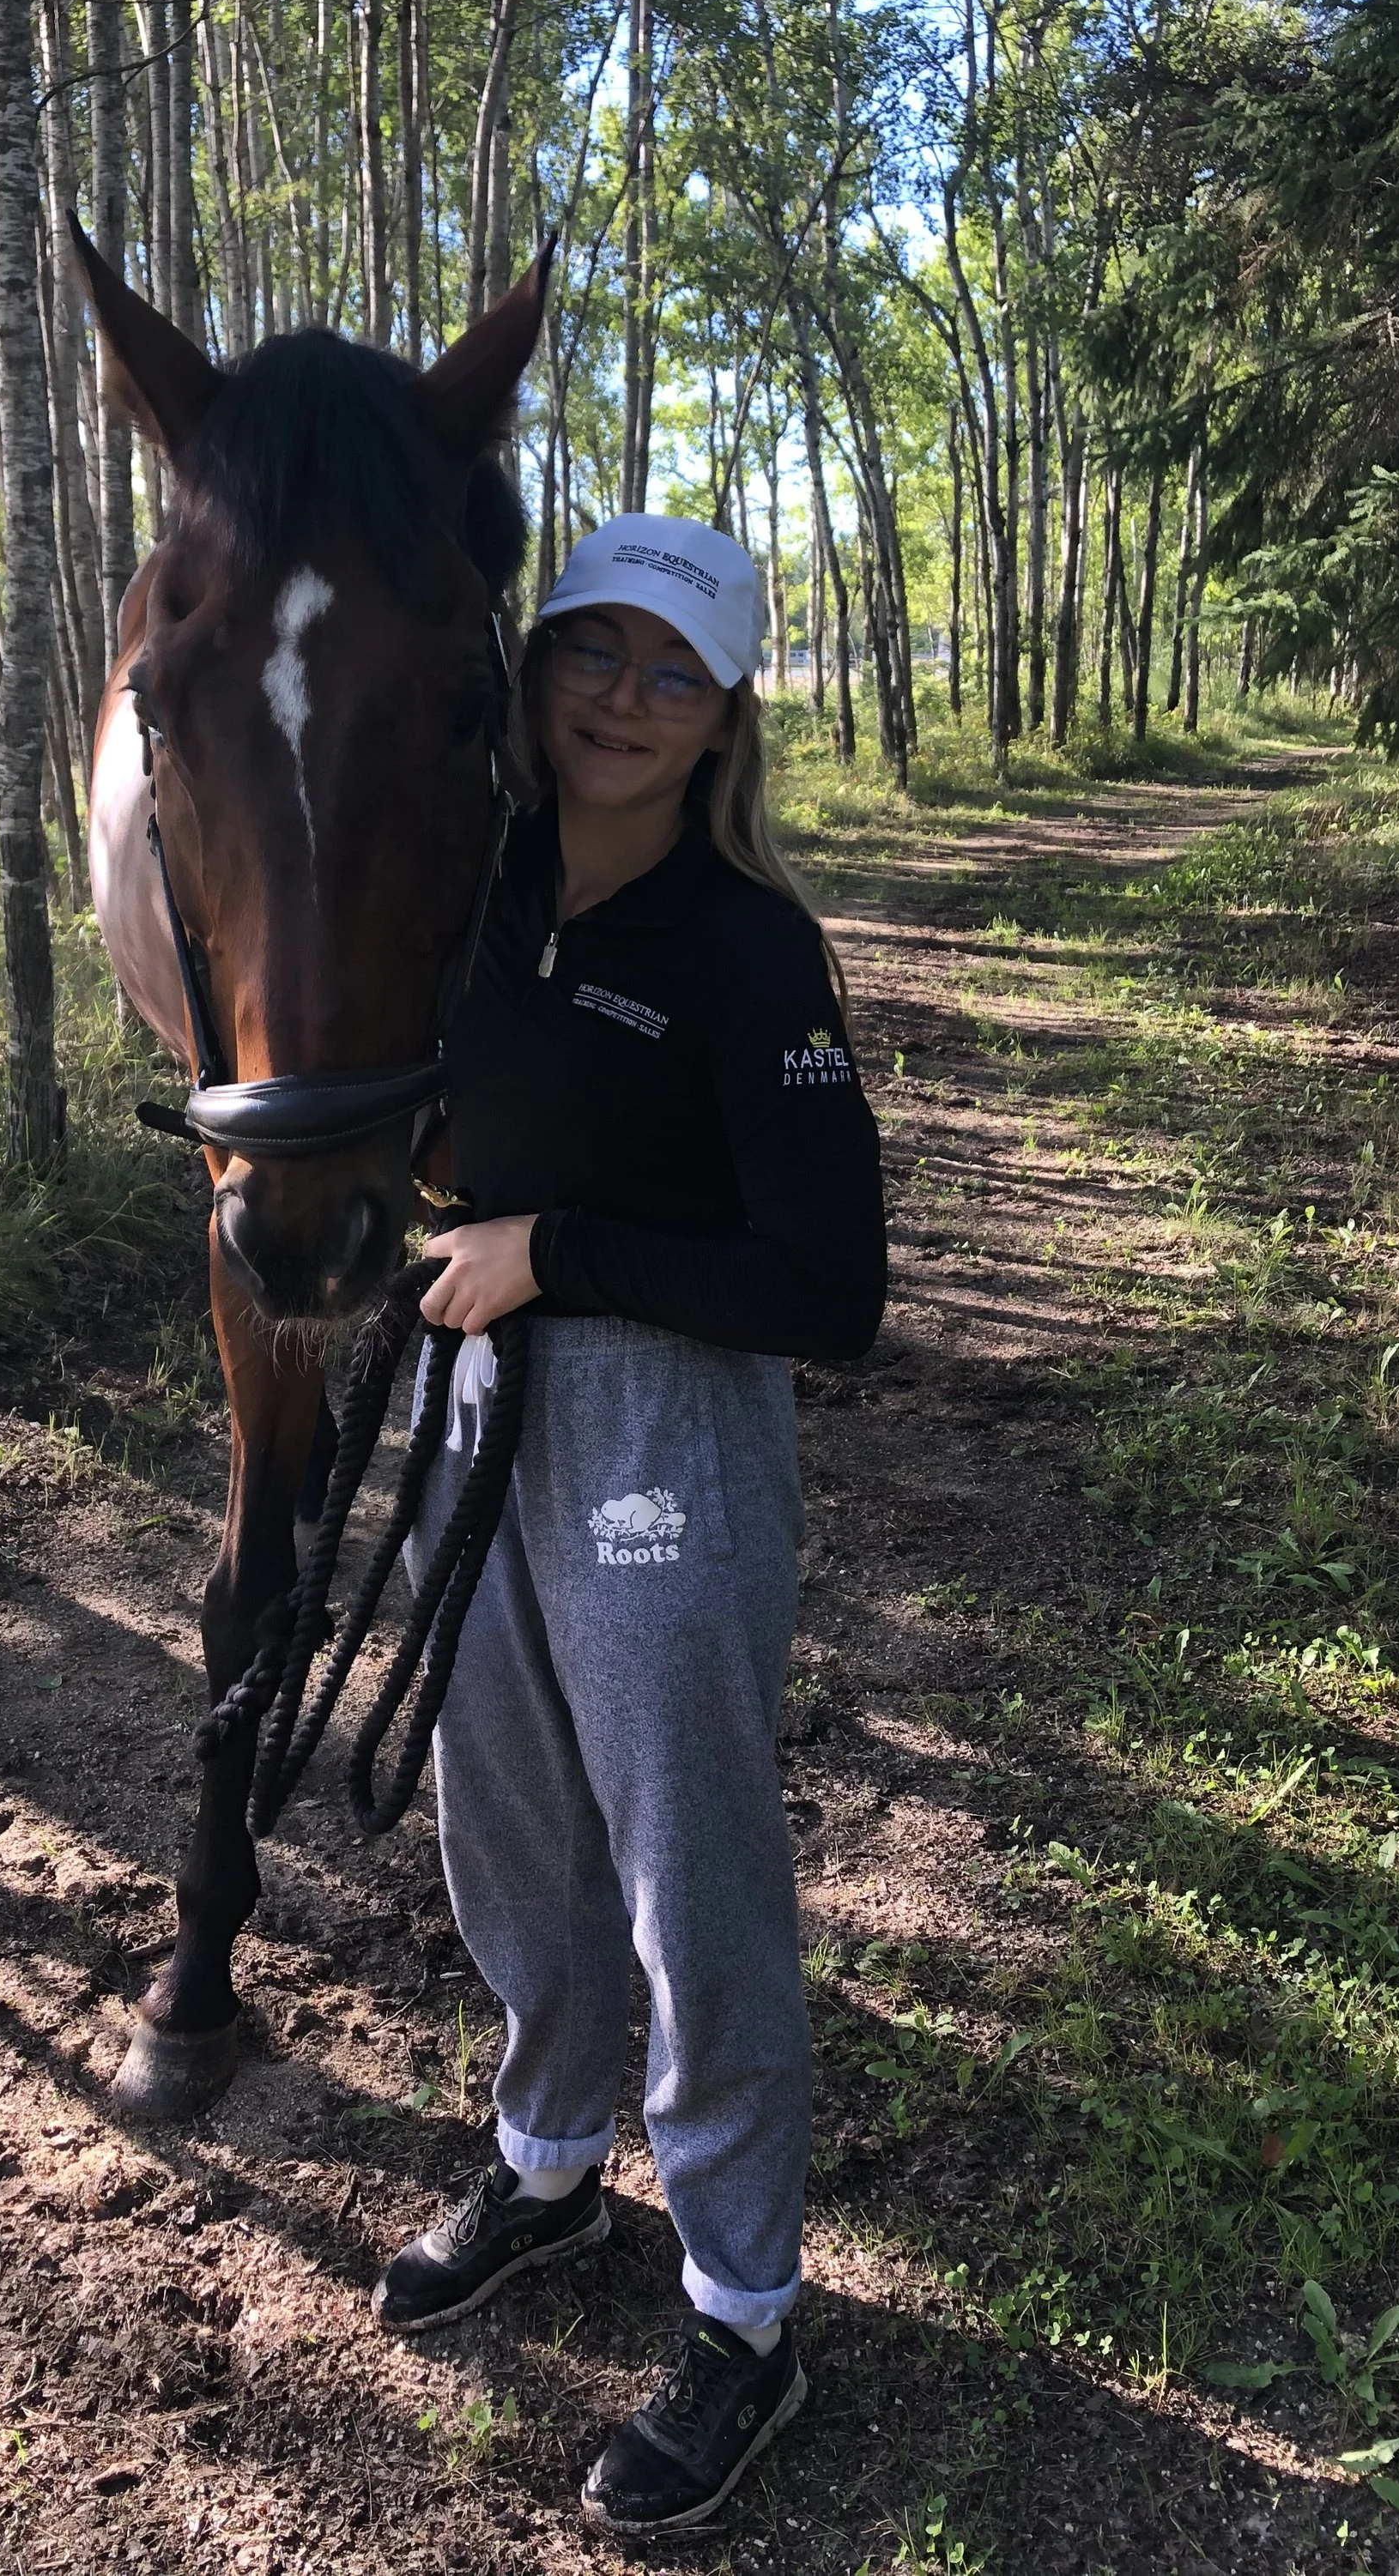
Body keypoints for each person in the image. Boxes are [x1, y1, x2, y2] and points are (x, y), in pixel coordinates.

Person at [372, 511, 887, 2534]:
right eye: (591, 651)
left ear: (722, 715)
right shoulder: (473, 877)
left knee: (686, 1860)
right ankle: (548, 2155)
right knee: (496, 1814)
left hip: (664, 1413)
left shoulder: (748, 944)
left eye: (668, 672)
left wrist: (554, 1249)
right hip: (472, 1388)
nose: (618, 698)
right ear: (535, 667)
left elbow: (828, 1290)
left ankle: (743, 2305)